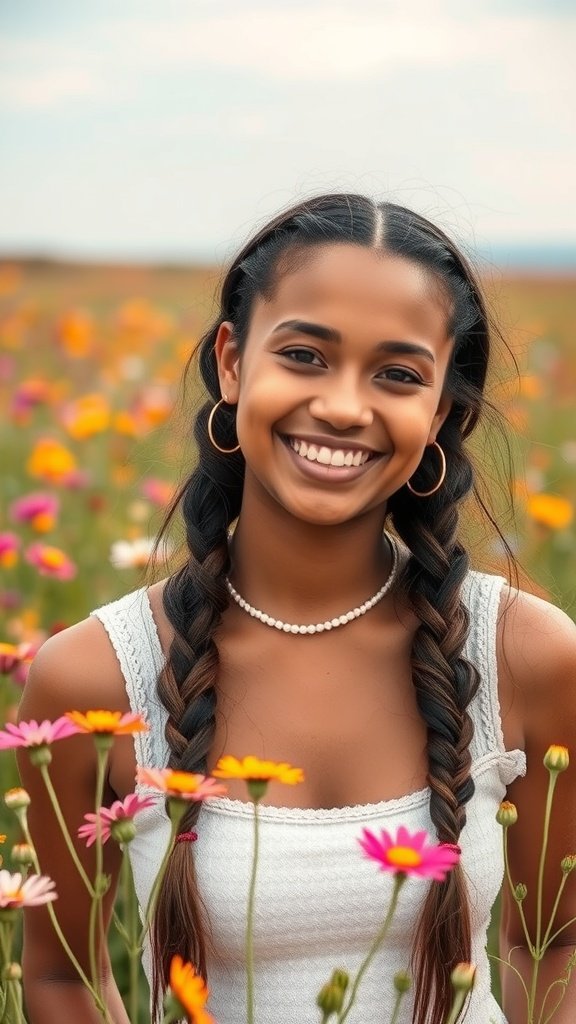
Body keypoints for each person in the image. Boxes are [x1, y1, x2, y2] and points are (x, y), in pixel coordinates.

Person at [17, 194, 576, 1024]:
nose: (346, 406)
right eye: (306, 355)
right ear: (234, 361)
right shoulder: (95, 676)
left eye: (398, 374)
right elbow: (60, 975)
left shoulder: (525, 655)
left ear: (443, 411)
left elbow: (554, 943)